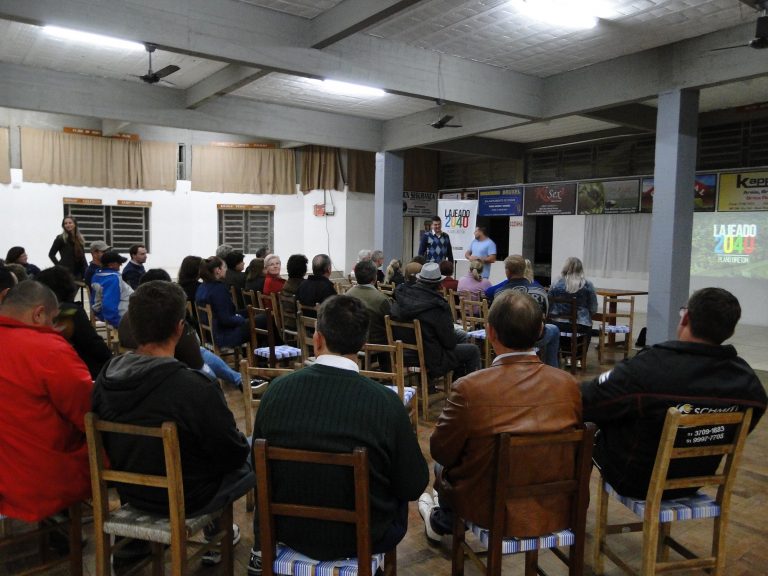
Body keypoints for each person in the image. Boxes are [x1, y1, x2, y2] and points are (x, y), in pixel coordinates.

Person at [249, 295, 428, 573]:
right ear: (363, 344)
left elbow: (257, 468)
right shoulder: (385, 403)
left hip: (288, 528)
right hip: (366, 534)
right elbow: (413, 485)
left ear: (317, 339)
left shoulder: (275, 392)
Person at [92, 280, 252, 566]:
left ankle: (132, 552)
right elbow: (231, 453)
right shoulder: (192, 386)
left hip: (132, 494)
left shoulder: (105, 380)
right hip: (191, 497)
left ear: (133, 327)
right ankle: (241, 544)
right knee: (256, 451)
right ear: (179, 328)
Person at [419, 290, 581, 542]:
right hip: (556, 506)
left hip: (489, 508)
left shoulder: (470, 388)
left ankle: (441, 518)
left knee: (444, 465)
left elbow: (441, 450)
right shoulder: (568, 385)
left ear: (490, 332)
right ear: (541, 331)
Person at [581, 287, 767, 499]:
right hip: (694, 481)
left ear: (686, 318)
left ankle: (572, 510)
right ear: (730, 331)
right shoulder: (747, 381)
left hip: (637, 482)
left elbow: (587, 400)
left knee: (588, 421)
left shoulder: (648, 367)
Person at [0, 281, 93, 521]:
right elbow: (87, 413)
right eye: (52, 321)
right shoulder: (46, 348)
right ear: (39, 314)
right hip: (36, 480)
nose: (54, 328)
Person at [119, 269, 244, 389]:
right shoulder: (166, 315)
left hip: (136, 364)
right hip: (169, 364)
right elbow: (193, 354)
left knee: (202, 352)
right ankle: (236, 381)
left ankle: (238, 379)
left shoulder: (129, 315)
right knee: (206, 371)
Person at [390, 262, 480, 381]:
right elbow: (449, 343)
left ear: (419, 279)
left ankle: (456, 381)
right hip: (431, 357)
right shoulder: (438, 306)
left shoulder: (401, 297)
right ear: (439, 284)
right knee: (473, 350)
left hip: (403, 353)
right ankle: (460, 386)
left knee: (460, 337)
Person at [36, 265, 112, 380]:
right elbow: (92, 343)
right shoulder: (71, 312)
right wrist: (111, 359)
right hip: (83, 371)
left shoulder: (39, 312)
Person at [485, 255, 561, 368]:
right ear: (524, 269)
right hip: (534, 338)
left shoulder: (499, 293)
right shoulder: (539, 290)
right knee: (554, 329)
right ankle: (551, 368)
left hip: (506, 338)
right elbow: (545, 315)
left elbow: (494, 317)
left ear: (507, 271)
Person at [195, 256, 250, 348]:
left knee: (252, 314)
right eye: (224, 267)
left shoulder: (202, 287)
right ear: (218, 270)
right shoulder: (218, 289)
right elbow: (226, 320)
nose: (226, 270)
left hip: (210, 334)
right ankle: (266, 354)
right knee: (262, 322)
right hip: (224, 336)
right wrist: (242, 320)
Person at [548, 256, 597, 355]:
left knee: (560, 330)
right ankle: (579, 357)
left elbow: (549, 302)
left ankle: (564, 354)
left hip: (557, 323)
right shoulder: (587, 284)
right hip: (580, 324)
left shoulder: (556, 283)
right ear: (580, 269)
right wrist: (588, 315)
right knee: (587, 329)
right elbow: (593, 307)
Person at [347, 260, 391, 347]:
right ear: (375, 278)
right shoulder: (382, 299)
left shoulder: (346, 295)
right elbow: (390, 323)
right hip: (377, 346)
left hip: (351, 343)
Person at [91, 251, 133, 326]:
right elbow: (109, 304)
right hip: (122, 318)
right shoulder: (113, 279)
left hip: (106, 314)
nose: (121, 264)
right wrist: (118, 323)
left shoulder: (97, 276)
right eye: (119, 262)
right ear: (111, 265)